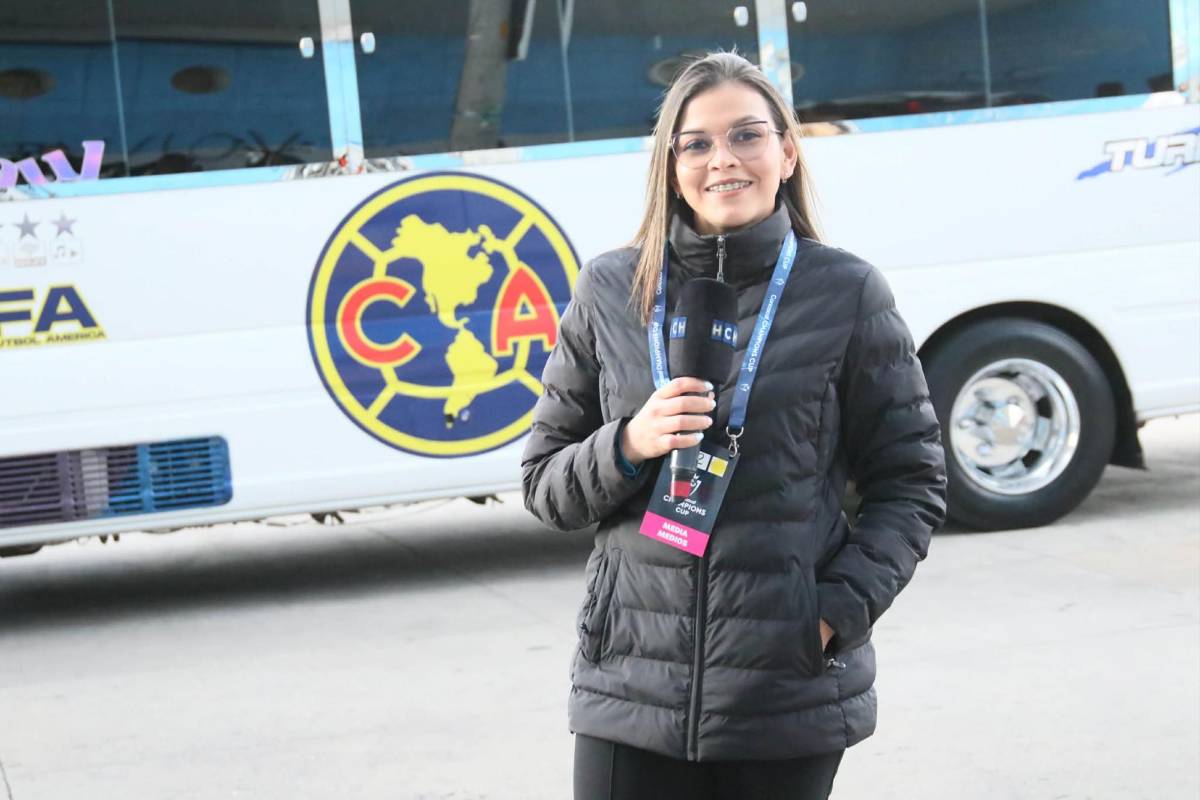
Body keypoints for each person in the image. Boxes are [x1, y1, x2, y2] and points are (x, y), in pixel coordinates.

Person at [521, 51, 947, 800]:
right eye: (697, 143)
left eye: (747, 136)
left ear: (787, 151)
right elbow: (545, 484)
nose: (723, 159)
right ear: (670, 165)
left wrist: (828, 618)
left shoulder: (846, 292)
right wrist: (629, 443)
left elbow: (911, 484)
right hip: (631, 684)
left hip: (785, 689)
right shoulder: (610, 289)